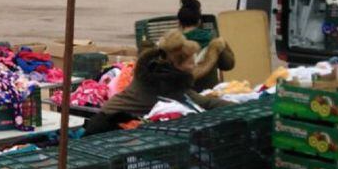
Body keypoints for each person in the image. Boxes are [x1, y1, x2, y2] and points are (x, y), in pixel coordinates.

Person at [85, 30, 231, 135]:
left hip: (109, 120)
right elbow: (205, 103)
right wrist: (245, 107)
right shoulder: (165, 84)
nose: (193, 66)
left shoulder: (152, 71)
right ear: (176, 65)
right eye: (190, 63)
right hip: (107, 128)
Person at [177, 0, 235, 90]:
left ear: (179, 23)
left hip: (183, 93)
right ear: (199, 22)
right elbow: (228, 65)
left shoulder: (173, 44)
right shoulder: (213, 40)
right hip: (210, 93)